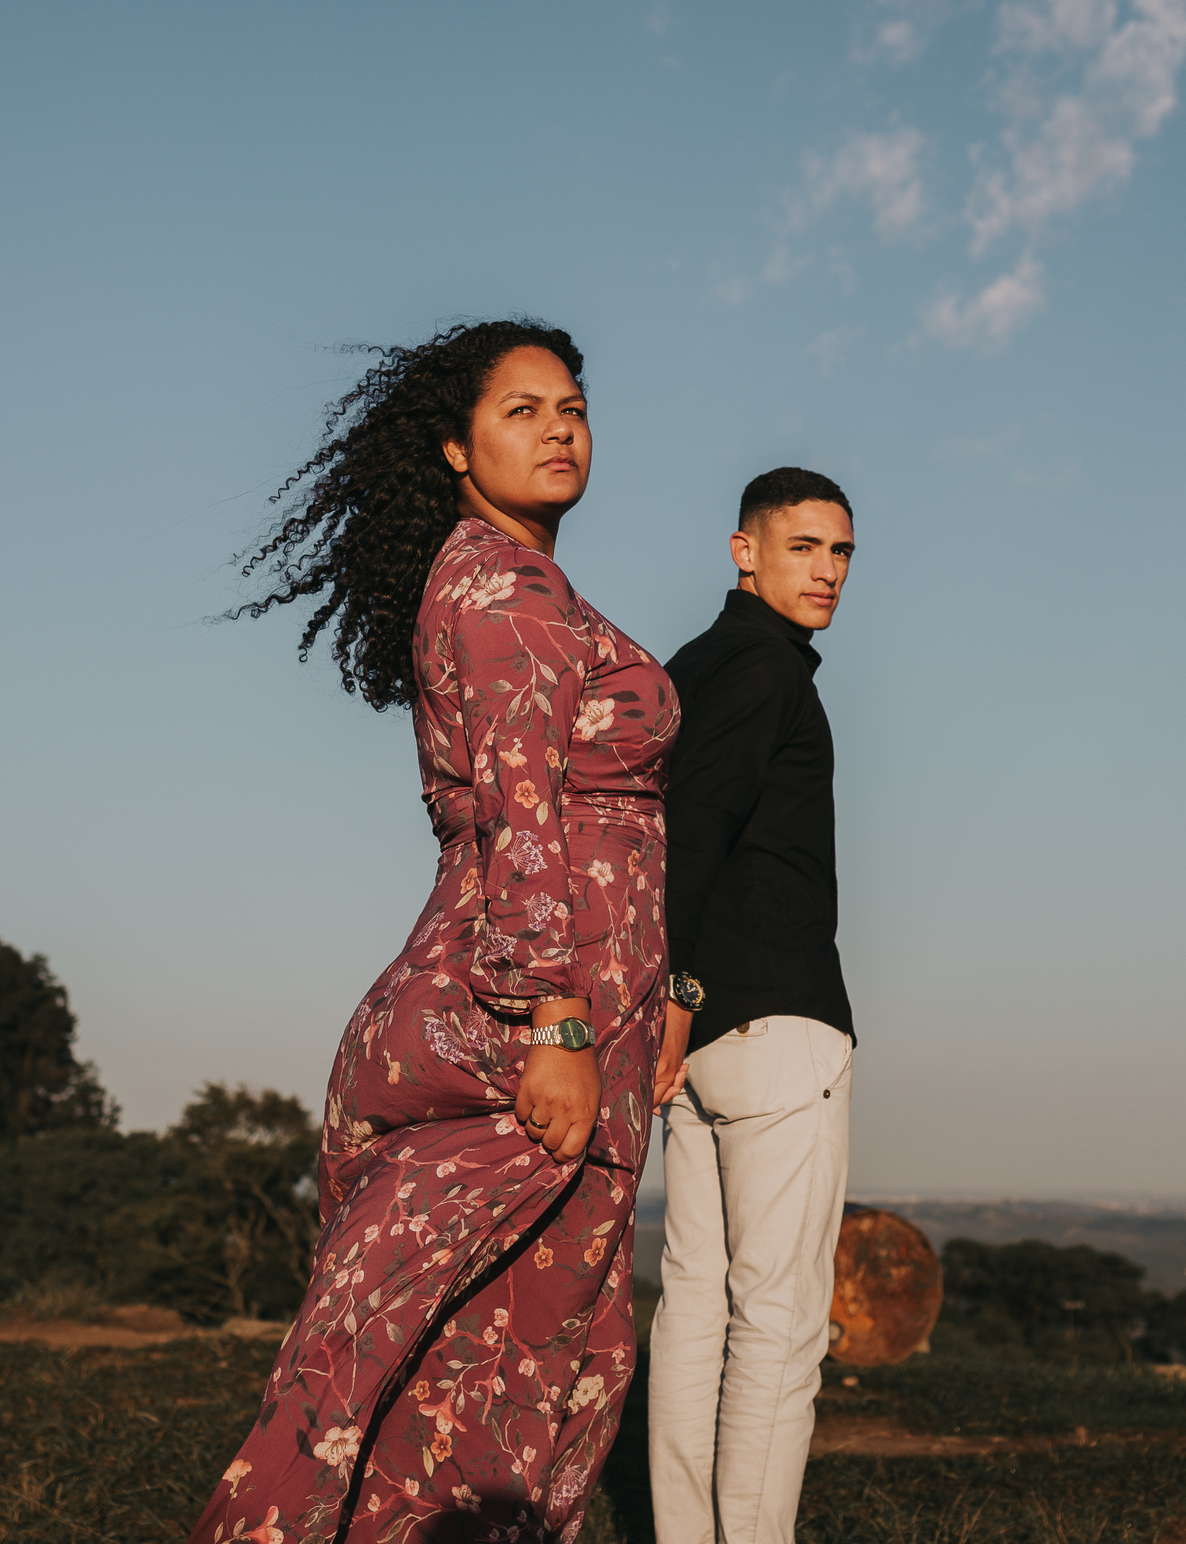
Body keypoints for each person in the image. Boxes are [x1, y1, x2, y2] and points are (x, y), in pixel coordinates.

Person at [190, 320, 680, 1544]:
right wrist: (555, 1019)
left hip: (575, 1002)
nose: (561, 427)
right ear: (458, 449)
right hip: (524, 1009)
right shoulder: (503, 590)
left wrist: (642, 1004)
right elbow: (524, 817)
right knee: (440, 1360)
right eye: (523, 411)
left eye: (571, 407)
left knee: (496, 1359)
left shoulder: (521, 581)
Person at [646, 467, 858, 1544]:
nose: (826, 572)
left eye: (841, 553)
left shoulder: (697, 664)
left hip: (708, 1036)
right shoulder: (765, 669)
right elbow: (698, 828)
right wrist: (675, 990)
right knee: (775, 1324)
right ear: (746, 551)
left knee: (695, 1304)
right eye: (804, 547)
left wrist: (673, 999)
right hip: (770, 1028)